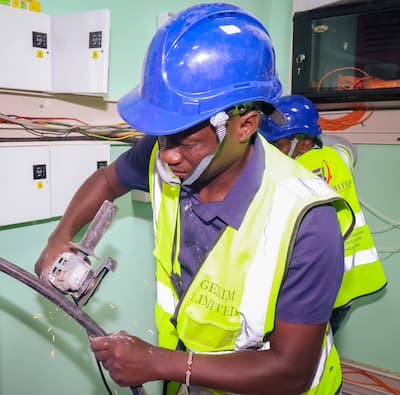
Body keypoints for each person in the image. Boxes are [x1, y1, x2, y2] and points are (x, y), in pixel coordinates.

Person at [35, 4, 355, 395]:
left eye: (184, 141)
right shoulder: (166, 153)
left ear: (245, 125)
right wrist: (61, 236)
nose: (165, 154)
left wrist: (160, 362)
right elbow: (106, 180)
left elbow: (290, 371)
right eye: (161, 135)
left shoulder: (306, 221)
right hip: (194, 378)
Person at [259, 94, 387, 333]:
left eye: (278, 144)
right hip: (354, 279)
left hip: (319, 284)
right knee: (322, 343)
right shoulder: (337, 157)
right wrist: (313, 134)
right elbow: (347, 146)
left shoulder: (289, 173)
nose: (271, 150)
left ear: (304, 144)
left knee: (304, 351)